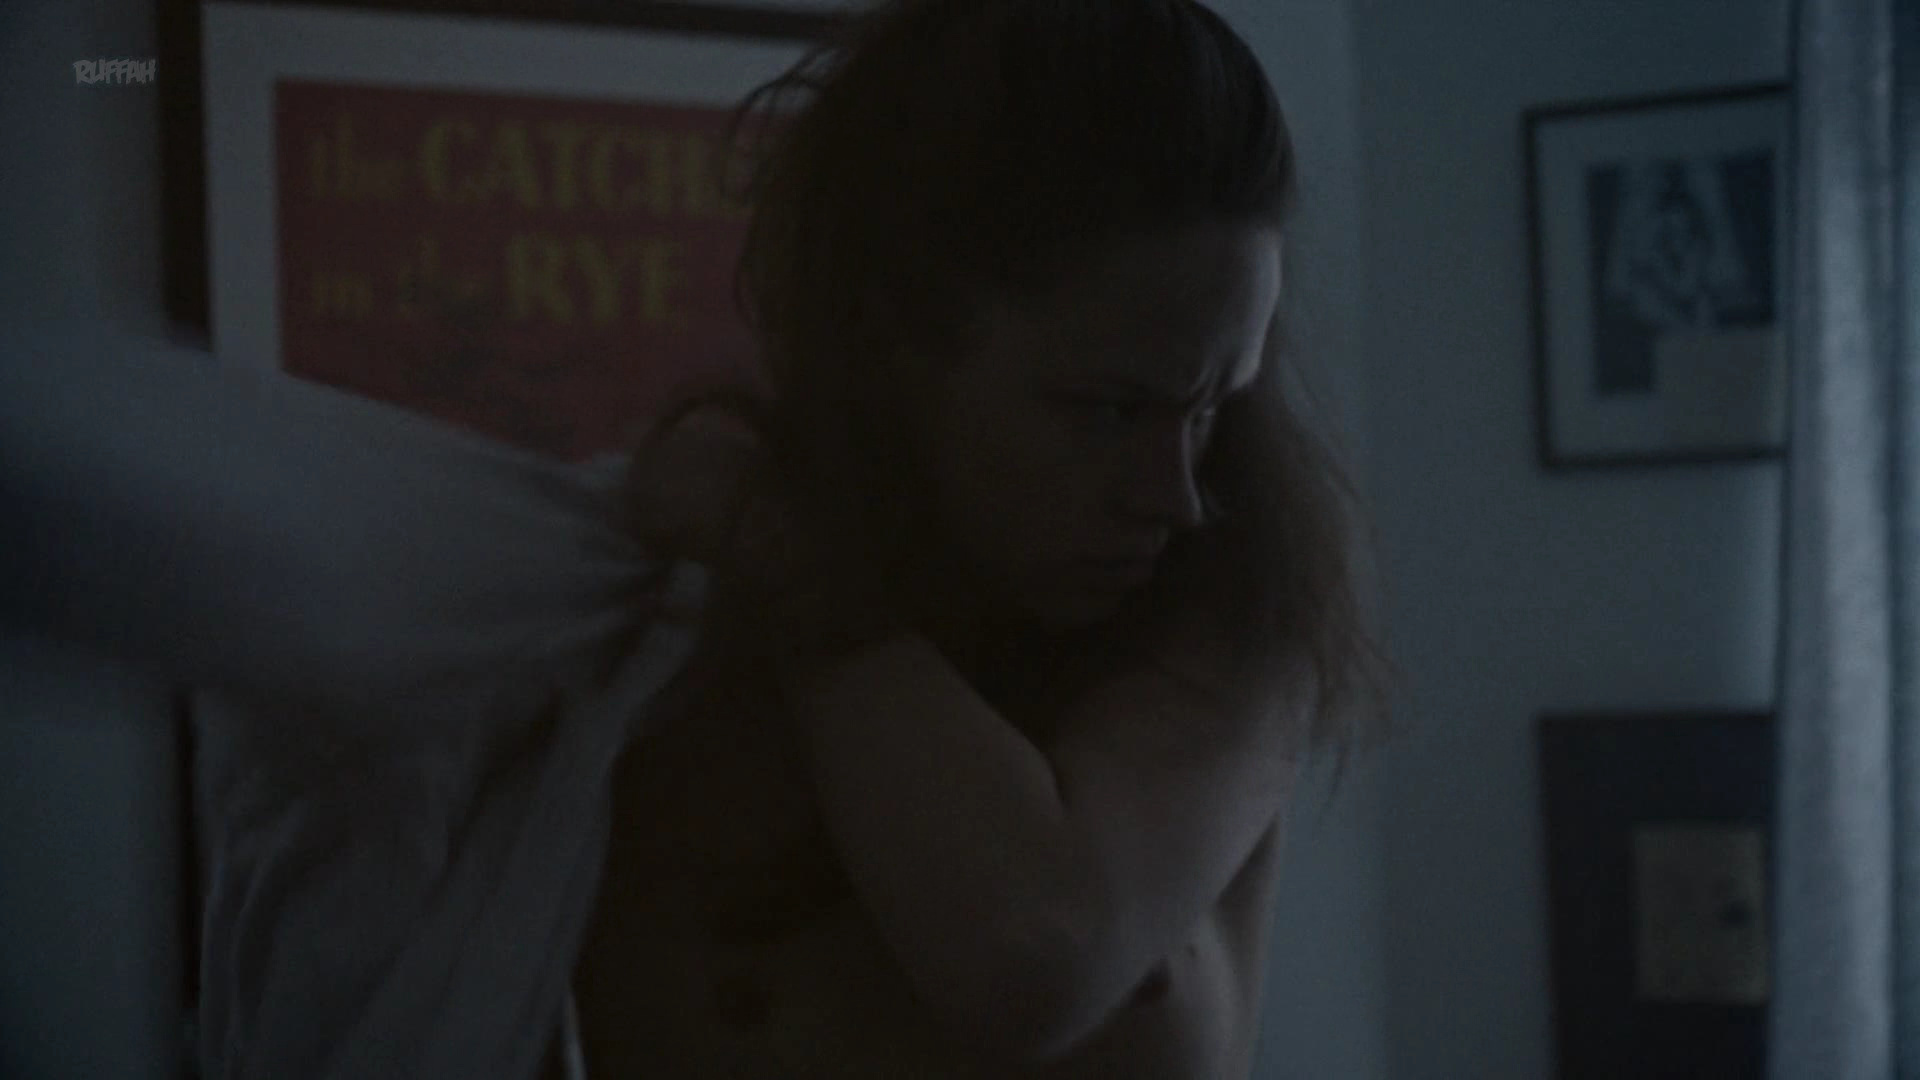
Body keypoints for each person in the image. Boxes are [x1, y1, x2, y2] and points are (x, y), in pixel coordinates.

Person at [0, 0, 1396, 1077]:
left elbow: (1034, 947)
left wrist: (790, 564)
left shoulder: (1223, 617)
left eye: (1214, 405)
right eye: (1106, 410)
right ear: (893, 340)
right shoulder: (630, 637)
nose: (1178, 492)